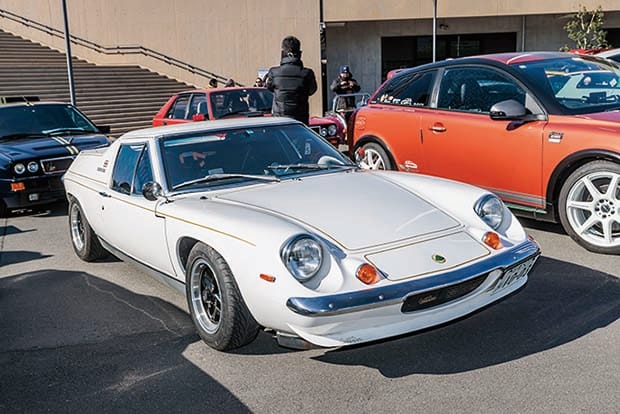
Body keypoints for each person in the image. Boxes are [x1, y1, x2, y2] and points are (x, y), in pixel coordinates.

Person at [265, 35, 317, 125]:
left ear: (283, 53)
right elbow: (312, 90)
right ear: (299, 53)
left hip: (279, 117)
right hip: (300, 118)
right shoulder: (307, 73)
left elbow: (269, 87)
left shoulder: (274, 72)